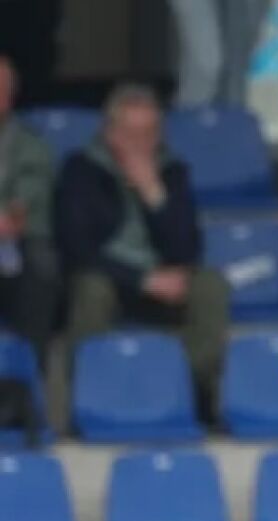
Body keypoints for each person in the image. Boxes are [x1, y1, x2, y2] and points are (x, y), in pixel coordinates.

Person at [56, 82, 230, 419]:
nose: (140, 143)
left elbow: (188, 249)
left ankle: (188, 391)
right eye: (130, 133)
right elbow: (76, 247)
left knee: (210, 285)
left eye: (149, 133)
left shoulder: (172, 171)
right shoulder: (81, 170)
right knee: (92, 288)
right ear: (110, 132)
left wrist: (154, 194)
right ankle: (91, 399)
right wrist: (141, 280)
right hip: (111, 281)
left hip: (164, 283)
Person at [0, 55, 59, 365]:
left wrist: (11, 216)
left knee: (42, 267)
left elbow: (25, 199)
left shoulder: (29, 143)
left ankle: (29, 377)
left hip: (15, 246)